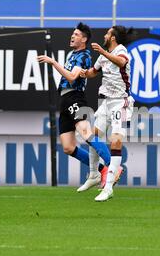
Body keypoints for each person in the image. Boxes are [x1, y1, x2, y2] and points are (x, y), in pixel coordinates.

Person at [37, 22, 112, 189]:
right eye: (73, 33)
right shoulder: (72, 54)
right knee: (68, 147)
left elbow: (72, 77)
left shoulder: (84, 55)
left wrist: (53, 62)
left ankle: (111, 166)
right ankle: (100, 171)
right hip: (64, 100)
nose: (73, 36)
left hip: (75, 98)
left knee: (86, 133)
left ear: (84, 39)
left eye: (77, 34)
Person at [79, 25, 136, 202]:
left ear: (113, 38)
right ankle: (94, 175)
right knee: (93, 137)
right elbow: (93, 72)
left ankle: (109, 187)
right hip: (105, 102)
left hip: (121, 102)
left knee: (116, 142)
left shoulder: (122, 51)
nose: (104, 35)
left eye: (107, 33)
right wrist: (83, 73)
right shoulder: (104, 56)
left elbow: (121, 62)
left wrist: (103, 52)